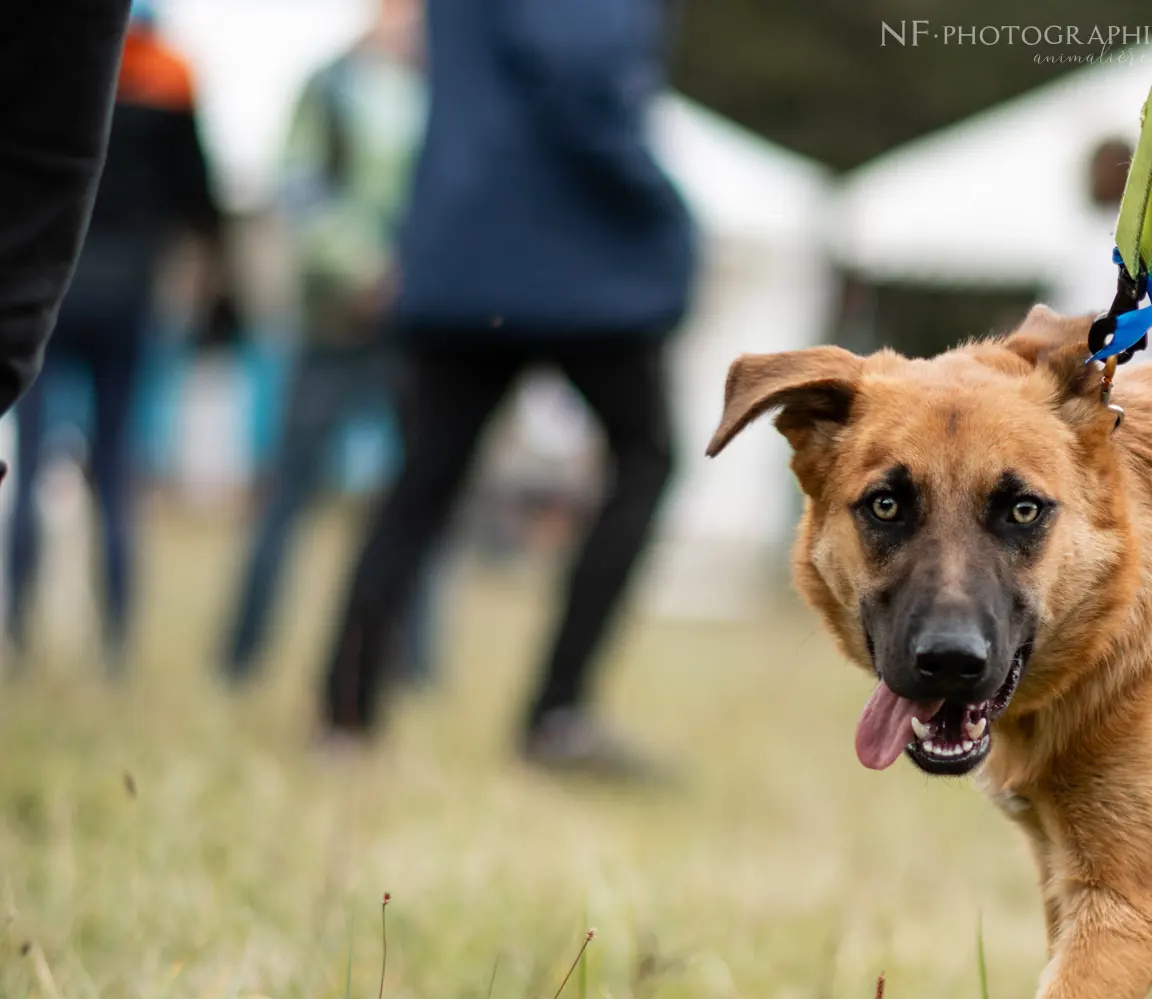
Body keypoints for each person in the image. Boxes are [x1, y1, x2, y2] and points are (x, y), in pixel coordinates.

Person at [317, 0, 696, 777]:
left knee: (418, 485)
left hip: (461, 250)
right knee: (645, 457)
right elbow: (585, 78)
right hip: (578, 262)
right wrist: (668, 218)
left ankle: (345, 713)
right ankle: (556, 713)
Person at [8, 0, 237, 673]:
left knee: (28, 465)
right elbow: (200, 198)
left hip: (47, 292)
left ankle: (17, 628)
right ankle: (115, 641)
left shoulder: (42, 57)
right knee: (115, 468)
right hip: (130, 300)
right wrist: (223, 293)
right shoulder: (170, 73)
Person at [220, 0, 430, 685]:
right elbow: (301, 188)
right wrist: (364, 268)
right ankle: (242, 654)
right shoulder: (330, 84)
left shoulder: (442, 85)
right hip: (335, 321)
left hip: (416, 326)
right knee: (287, 496)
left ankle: (413, 668)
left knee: (419, 498)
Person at [0, 0, 130, 416]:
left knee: (43, 420)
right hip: (110, 277)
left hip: (67, 280)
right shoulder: (171, 75)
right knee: (112, 415)